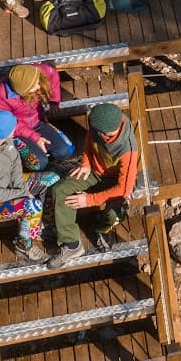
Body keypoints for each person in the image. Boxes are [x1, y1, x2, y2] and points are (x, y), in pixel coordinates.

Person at [47, 102, 142, 265]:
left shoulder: (128, 149)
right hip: (94, 172)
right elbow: (89, 141)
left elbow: (124, 190)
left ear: (106, 131)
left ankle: (102, 228)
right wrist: (85, 164)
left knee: (114, 214)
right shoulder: (97, 125)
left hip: (117, 183)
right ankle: (71, 244)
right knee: (60, 190)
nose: (92, 128)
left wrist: (88, 200)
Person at [0, 110, 60, 264]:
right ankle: (24, 245)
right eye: (13, 128)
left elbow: (15, 163)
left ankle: (40, 226)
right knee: (32, 206)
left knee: (51, 178)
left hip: (7, 185)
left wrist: (23, 189)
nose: (15, 129)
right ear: (2, 134)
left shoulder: (3, 138)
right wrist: (21, 194)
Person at [0, 62, 75, 168]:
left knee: (64, 151)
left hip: (37, 121)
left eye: (37, 82)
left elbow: (53, 74)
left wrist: (54, 100)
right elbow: (9, 124)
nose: (38, 86)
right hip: (17, 131)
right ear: (22, 92)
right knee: (39, 163)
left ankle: (50, 160)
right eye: (33, 86)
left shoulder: (35, 71)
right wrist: (35, 137)